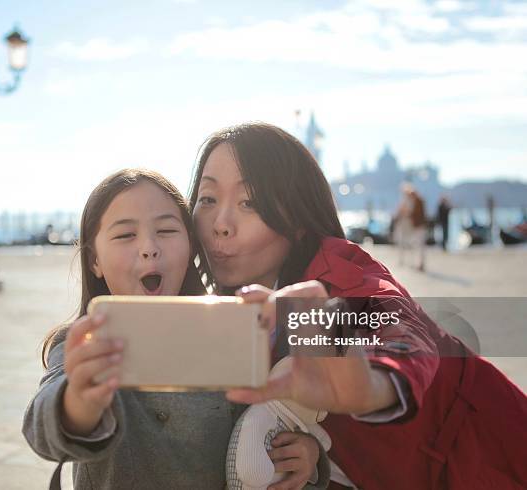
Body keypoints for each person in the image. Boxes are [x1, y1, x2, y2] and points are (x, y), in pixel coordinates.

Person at [188, 122, 527, 489]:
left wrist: (372, 385)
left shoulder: (338, 272)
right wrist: (313, 456)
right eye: (207, 199)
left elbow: (399, 327)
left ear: (297, 220)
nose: (220, 224)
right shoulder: (223, 311)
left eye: (249, 202)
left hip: (494, 453)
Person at [22, 168, 323, 490]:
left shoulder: (228, 329)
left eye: (166, 230)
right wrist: (79, 401)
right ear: (94, 260)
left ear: (191, 246)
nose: (149, 247)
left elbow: (266, 426)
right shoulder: (84, 344)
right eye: (125, 235)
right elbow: (40, 429)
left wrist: (307, 456)